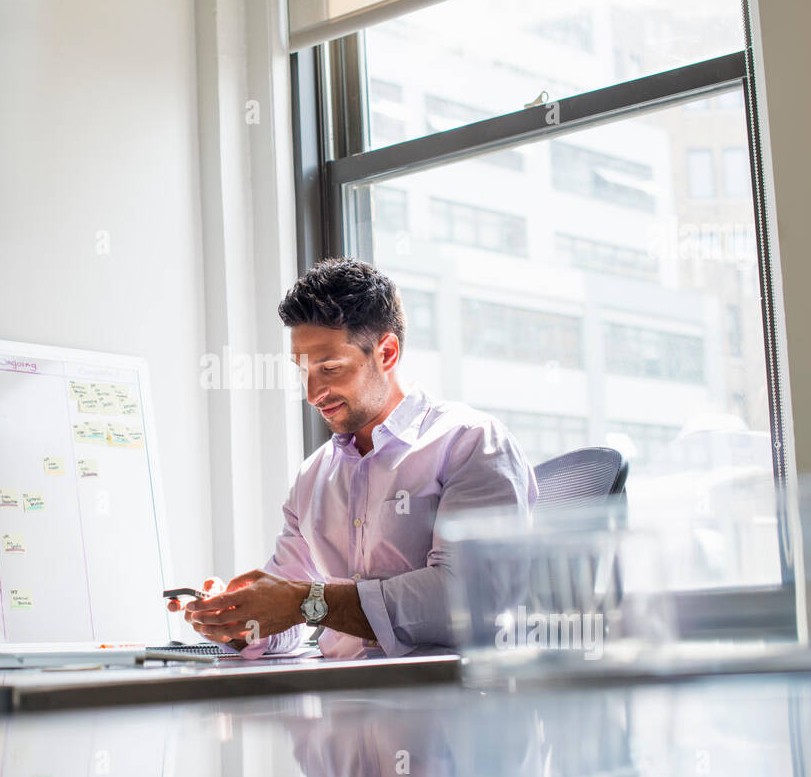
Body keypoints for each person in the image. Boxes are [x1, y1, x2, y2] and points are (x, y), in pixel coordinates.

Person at [173, 258, 538, 658]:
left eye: (329, 368)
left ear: (386, 352)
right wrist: (236, 619)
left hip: (444, 706)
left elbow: (471, 601)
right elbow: (286, 616)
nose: (313, 394)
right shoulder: (314, 476)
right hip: (338, 701)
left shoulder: (471, 443)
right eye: (304, 371)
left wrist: (307, 601)